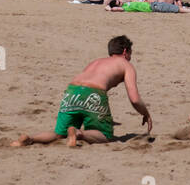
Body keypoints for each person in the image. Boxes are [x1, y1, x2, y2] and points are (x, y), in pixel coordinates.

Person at [12, 36, 151, 146]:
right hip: (93, 92)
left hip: (72, 90)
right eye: (131, 53)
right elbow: (134, 98)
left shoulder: (96, 62)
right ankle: (79, 133)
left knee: (59, 134)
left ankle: (30, 138)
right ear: (125, 51)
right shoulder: (126, 65)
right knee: (105, 135)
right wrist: (145, 113)